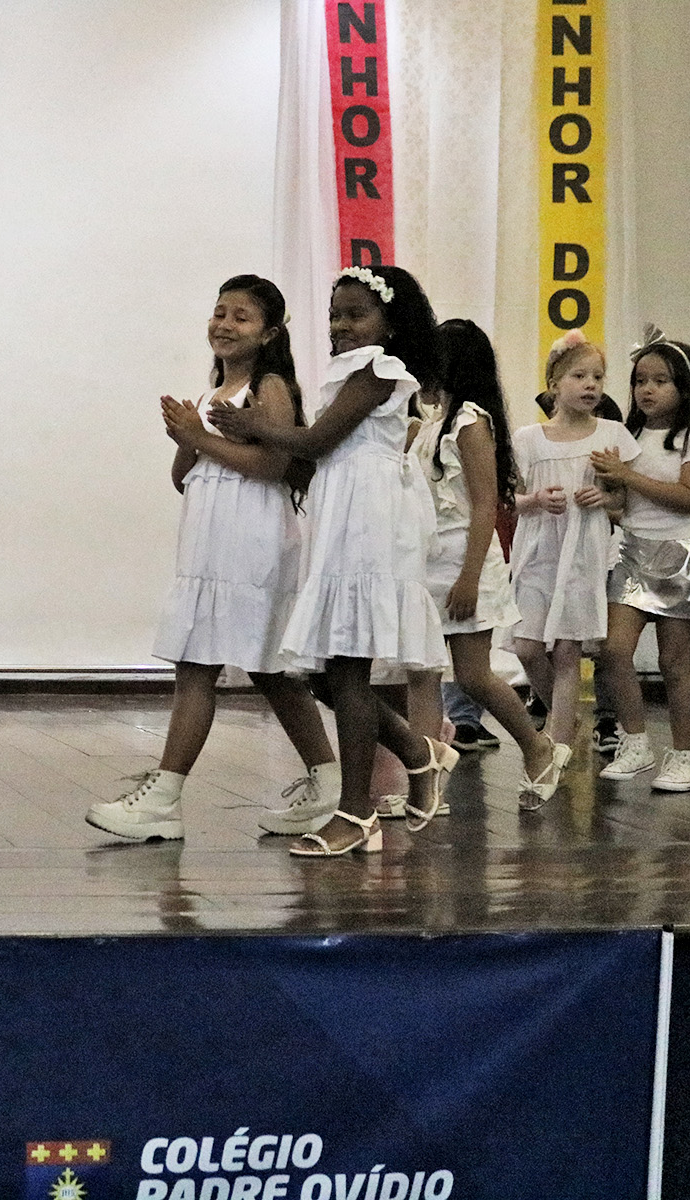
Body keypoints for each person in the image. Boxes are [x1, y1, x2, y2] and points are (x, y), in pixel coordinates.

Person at [83, 275, 336, 842]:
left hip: (251, 548)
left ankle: (164, 798)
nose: (224, 324)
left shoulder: (270, 387)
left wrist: (200, 437)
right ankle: (329, 782)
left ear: (269, 333)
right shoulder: (210, 393)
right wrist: (187, 438)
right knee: (267, 670)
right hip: (208, 548)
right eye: (220, 313)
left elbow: (273, 466)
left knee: (204, 665)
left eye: (241, 317)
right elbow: (185, 477)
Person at [213, 265, 454, 857]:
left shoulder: (380, 368)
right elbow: (320, 456)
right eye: (334, 315)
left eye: (356, 314)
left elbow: (319, 440)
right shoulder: (348, 370)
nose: (341, 325)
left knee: (346, 667)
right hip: (342, 516)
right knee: (325, 671)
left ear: (389, 324)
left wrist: (255, 425)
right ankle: (418, 754)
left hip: (367, 523)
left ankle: (357, 812)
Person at [405, 319, 559, 809]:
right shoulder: (431, 423)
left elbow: (485, 503)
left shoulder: (471, 422)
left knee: (472, 676)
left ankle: (537, 746)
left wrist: (470, 576)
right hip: (428, 561)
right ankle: (424, 783)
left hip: (464, 560)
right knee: (422, 672)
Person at [593, 330, 690, 791]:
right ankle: (636, 743)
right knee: (614, 650)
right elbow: (622, 505)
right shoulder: (628, 434)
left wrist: (627, 476)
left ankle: (684, 758)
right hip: (633, 549)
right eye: (640, 381)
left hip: (680, 551)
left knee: (674, 662)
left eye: (660, 381)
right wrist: (604, 495)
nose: (647, 390)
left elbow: (688, 498)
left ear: (685, 387)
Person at [509, 331, 638, 776]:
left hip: (583, 553)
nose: (590, 385)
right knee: (527, 646)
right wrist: (535, 500)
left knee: (567, 651)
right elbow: (510, 499)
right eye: (579, 376)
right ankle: (563, 716)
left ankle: (557, 748)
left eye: (597, 377)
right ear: (554, 384)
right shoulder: (528, 438)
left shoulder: (612, 434)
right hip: (537, 551)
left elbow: (624, 502)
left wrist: (604, 498)